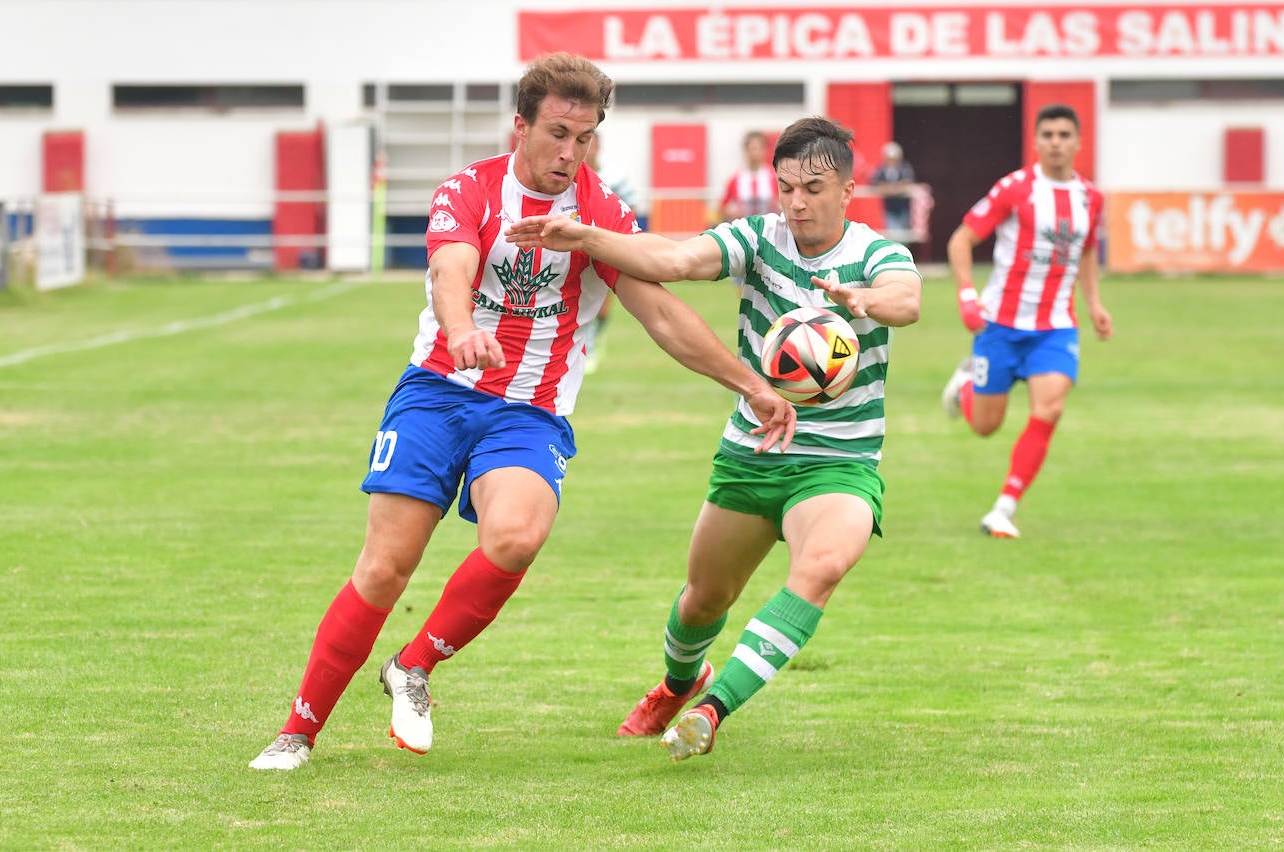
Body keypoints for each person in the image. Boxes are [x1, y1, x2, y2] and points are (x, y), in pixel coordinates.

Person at [249, 52, 796, 770]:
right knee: (385, 570)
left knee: (517, 534)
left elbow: (660, 313)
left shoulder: (600, 212)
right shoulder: (469, 191)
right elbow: (451, 271)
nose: (570, 152)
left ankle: (411, 667)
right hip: (439, 392)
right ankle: (297, 731)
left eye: (585, 137)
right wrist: (462, 330)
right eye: (558, 132)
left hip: (528, 413)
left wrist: (748, 382)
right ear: (521, 126)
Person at [506, 116, 921, 761]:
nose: (798, 202)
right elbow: (672, 257)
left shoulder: (875, 254)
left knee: (823, 566)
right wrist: (584, 234)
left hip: (839, 462)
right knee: (703, 601)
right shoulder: (759, 238)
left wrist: (859, 298)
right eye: (787, 187)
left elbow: (907, 299)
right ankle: (678, 685)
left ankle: (711, 710)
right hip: (753, 454)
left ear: (847, 188)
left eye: (813, 187)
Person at [939, 103, 1114, 539]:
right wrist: (966, 294)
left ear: (1077, 142)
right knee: (985, 426)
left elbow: (1088, 250)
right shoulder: (1014, 189)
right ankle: (965, 385)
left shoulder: (1091, 199)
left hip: (1055, 327)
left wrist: (1094, 304)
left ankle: (1004, 508)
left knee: (1050, 408)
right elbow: (961, 239)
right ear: (1036, 142)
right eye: (1048, 135)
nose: (1056, 142)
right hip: (1000, 325)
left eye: (1064, 135)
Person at [581, 134, 641, 374]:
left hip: (608, 250)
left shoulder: (614, 178)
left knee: (602, 305)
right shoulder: (569, 178)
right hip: (578, 252)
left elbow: (632, 207)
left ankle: (594, 341)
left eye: (590, 143)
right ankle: (585, 348)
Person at [717, 130, 780, 221]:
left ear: (765, 150)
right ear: (745, 151)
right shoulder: (736, 178)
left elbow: (784, 203)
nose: (755, 153)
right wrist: (733, 213)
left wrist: (776, 207)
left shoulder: (774, 176)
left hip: (770, 228)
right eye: (752, 148)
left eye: (759, 148)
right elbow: (722, 207)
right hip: (743, 229)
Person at [867, 141, 916, 237]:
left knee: (904, 234)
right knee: (892, 232)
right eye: (889, 159)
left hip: (903, 208)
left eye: (894, 159)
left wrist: (893, 189)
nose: (892, 161)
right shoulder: (881, 169)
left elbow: (908, 182)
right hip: (889, 208)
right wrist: (891, 188)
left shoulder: (905, 168)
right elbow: (873, 183)